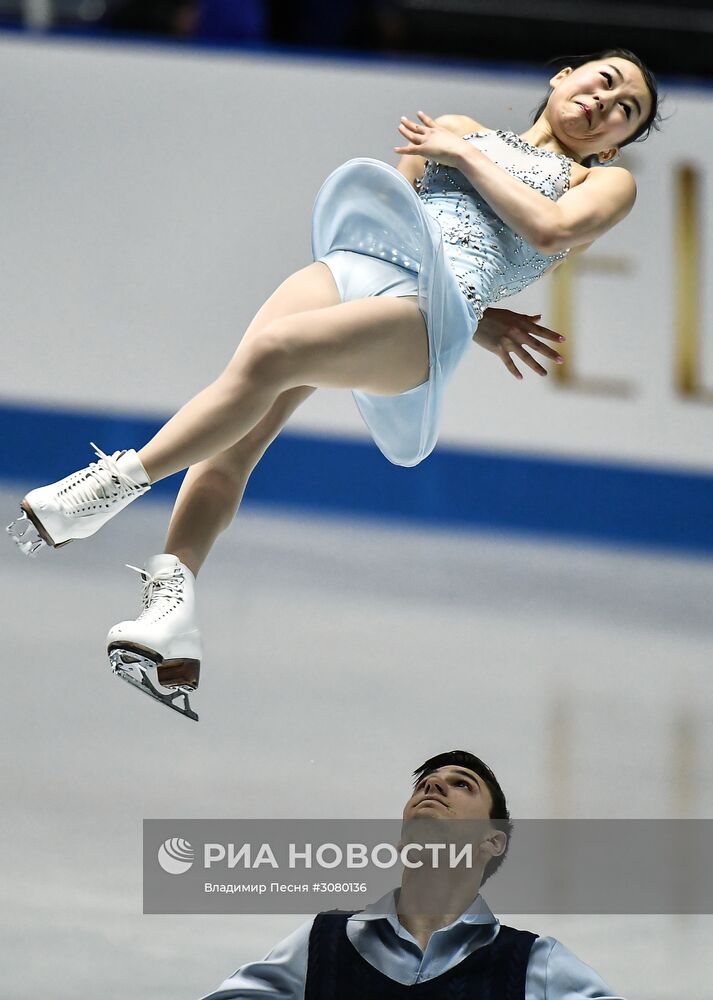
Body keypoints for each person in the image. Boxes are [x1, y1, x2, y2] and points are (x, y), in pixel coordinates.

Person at [7, 49, 660, 718]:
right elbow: (404, 216)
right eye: (602, 83)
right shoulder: (460, 125)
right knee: (234, 442)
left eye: (624, 113)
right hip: (357, 267)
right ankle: (169, 613)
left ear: (618, 144)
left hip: (425, 317)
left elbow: (549, 229)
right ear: (563, 76)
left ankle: (114, 485)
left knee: (273, 351)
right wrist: (487, 307)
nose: (603, 104)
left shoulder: (600, 184)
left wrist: (464, 167)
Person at [199, 749, 627, 998]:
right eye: (424, 785)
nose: (433, 787)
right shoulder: (320, 945)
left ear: (493, 841)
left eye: (462, 785)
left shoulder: (537, 965)